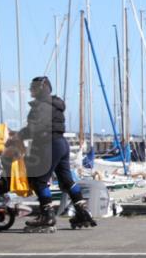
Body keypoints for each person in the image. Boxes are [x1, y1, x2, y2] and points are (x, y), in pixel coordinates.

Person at [17, 76, 96, 230]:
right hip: (61, 144)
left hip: (48, 145)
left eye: (33, 87)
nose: (30, 90)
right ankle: (82, 212)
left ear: (41, 88)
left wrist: (17, 136)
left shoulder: (40, 106)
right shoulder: (55, 104)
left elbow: (34, 129)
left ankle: (47, 216)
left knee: (39, 180)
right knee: (66, 180)